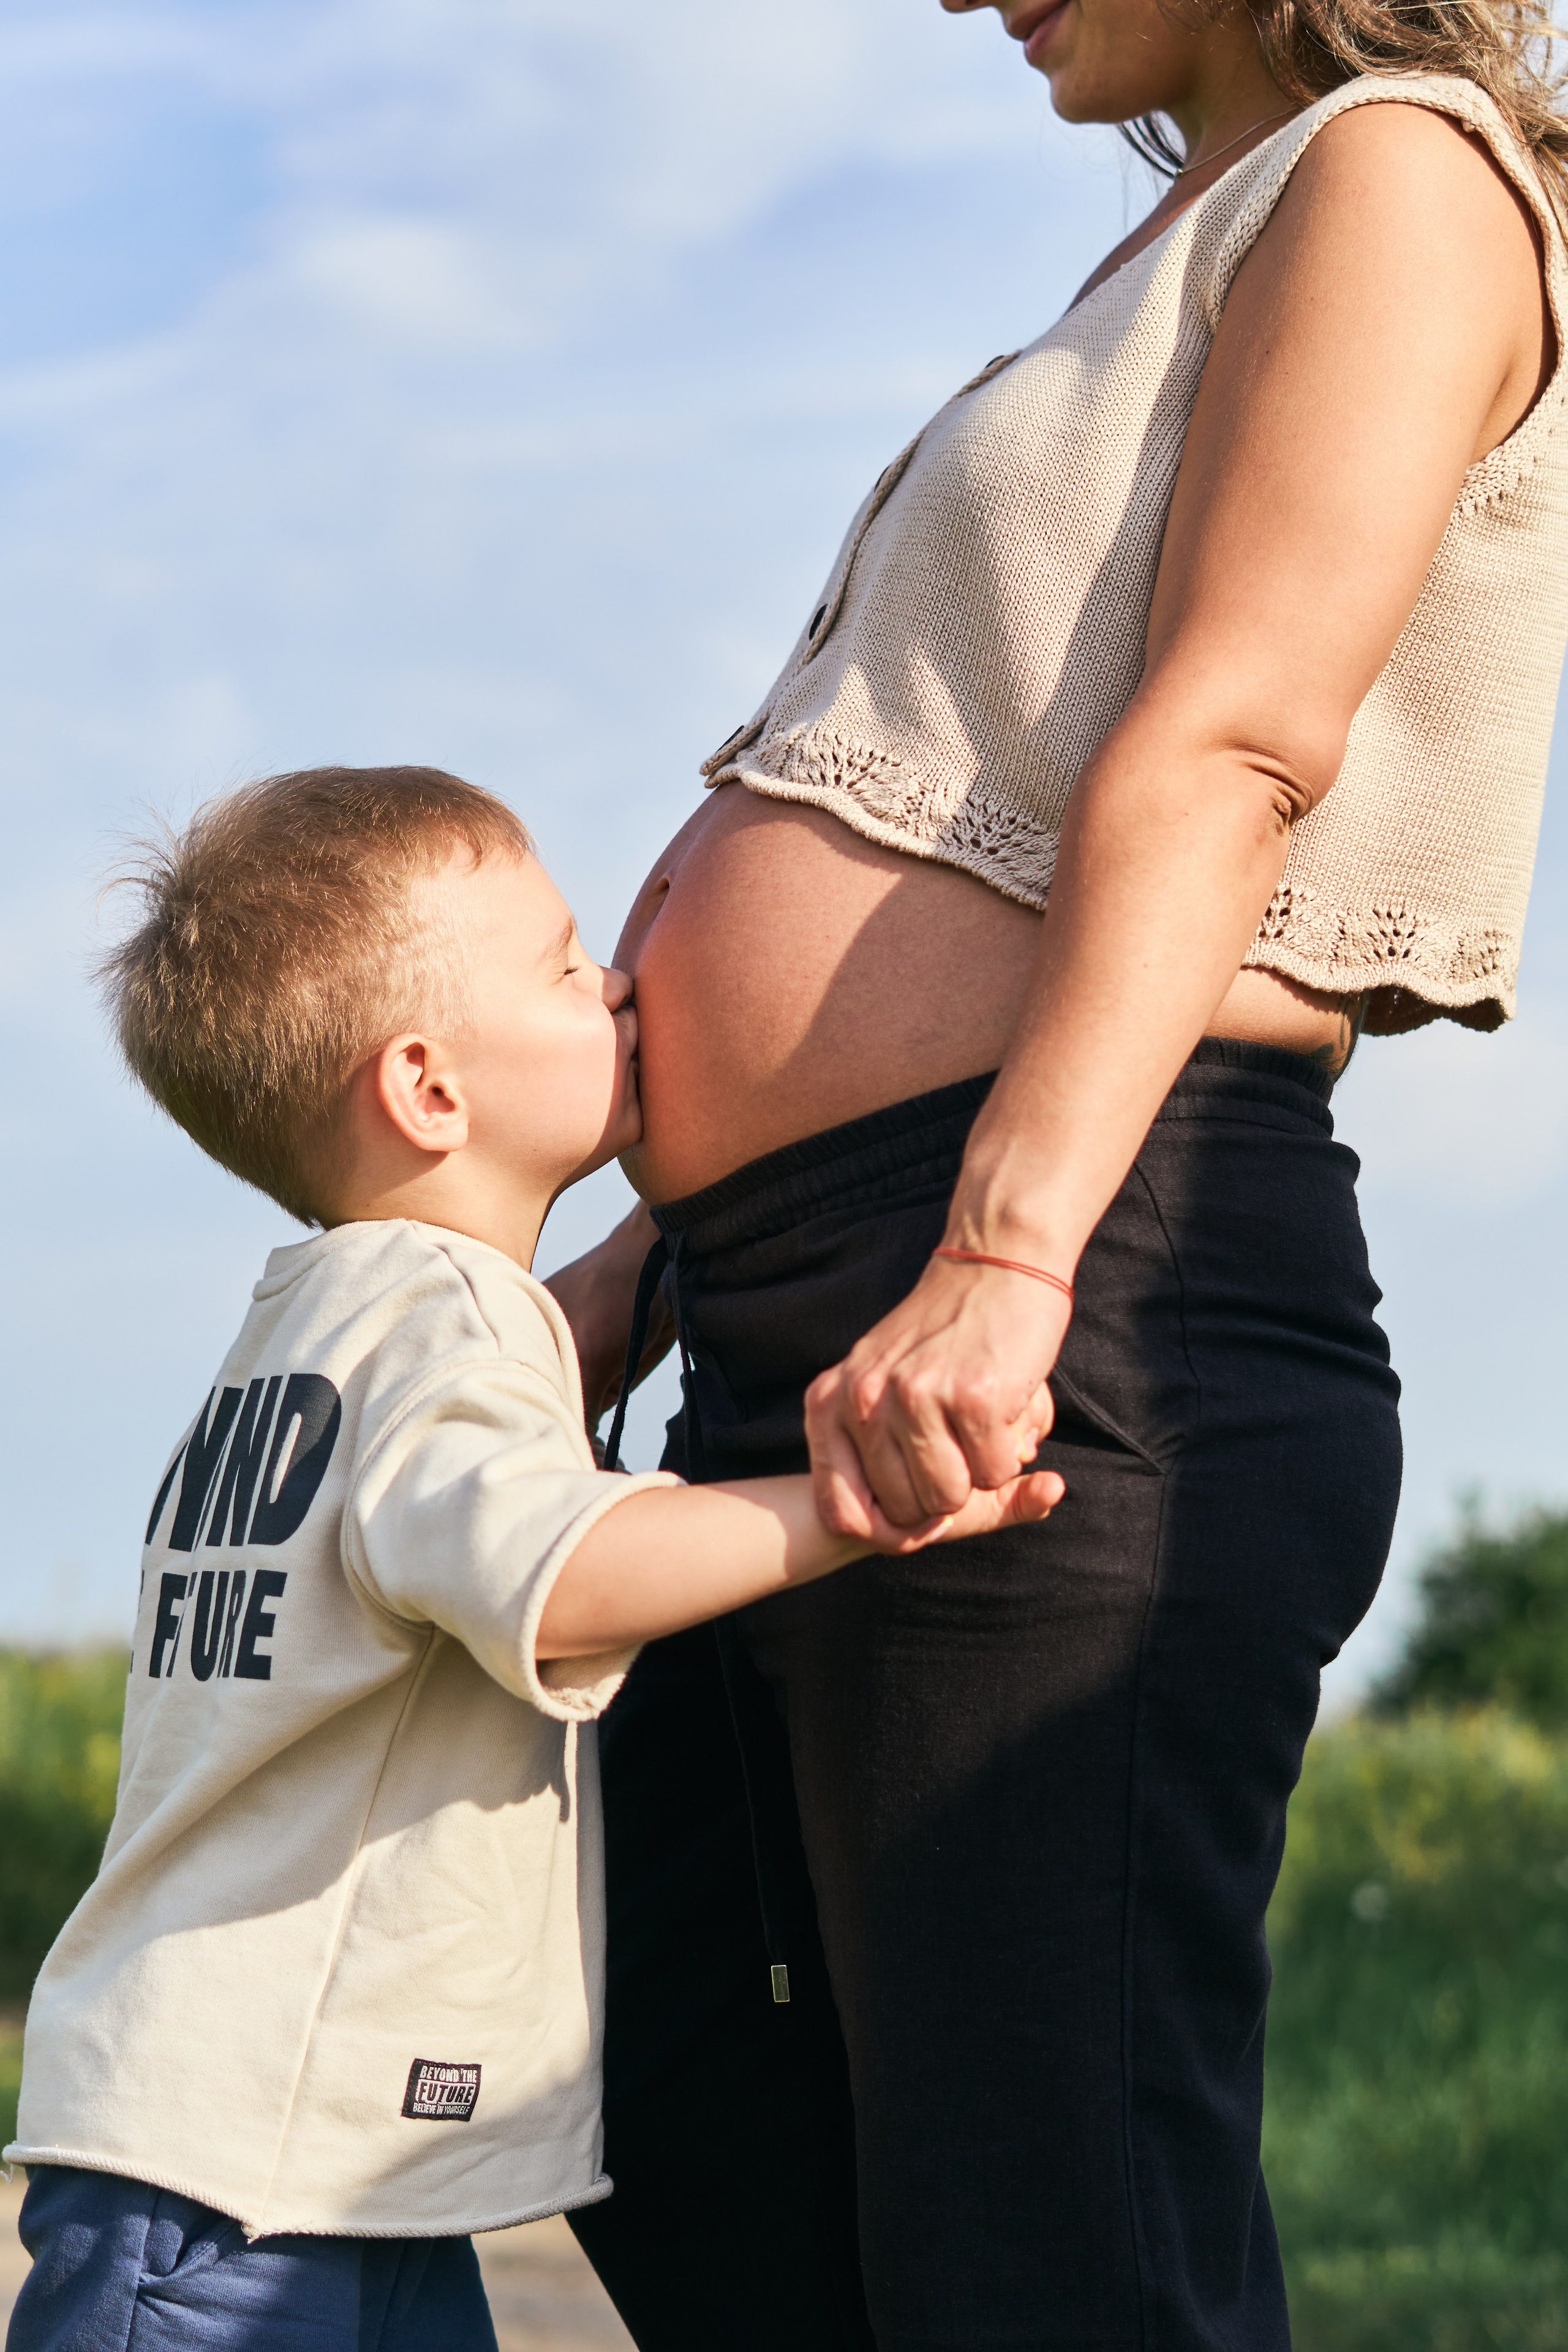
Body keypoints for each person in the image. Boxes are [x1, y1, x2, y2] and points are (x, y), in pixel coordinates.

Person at [550, 3, 1568, 2347]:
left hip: (1060, 1318)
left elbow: (1234, 738)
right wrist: (659, 1250)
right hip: (809, 1303)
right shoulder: (1188, 236)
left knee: (1045, 2262)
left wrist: (1009, 1253)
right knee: (699, 2153)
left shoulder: (1402, 172)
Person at [2, 767, 1055, 2352]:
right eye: (568, 968)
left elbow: (478, 1447)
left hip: (262, 2148)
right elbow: (553, 1566)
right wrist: (847, 1504)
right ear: (429, 1090)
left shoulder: (324, 1317)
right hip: (259, 2193)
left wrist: (653, 1253)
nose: (622, 981)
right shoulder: (448, 1324)